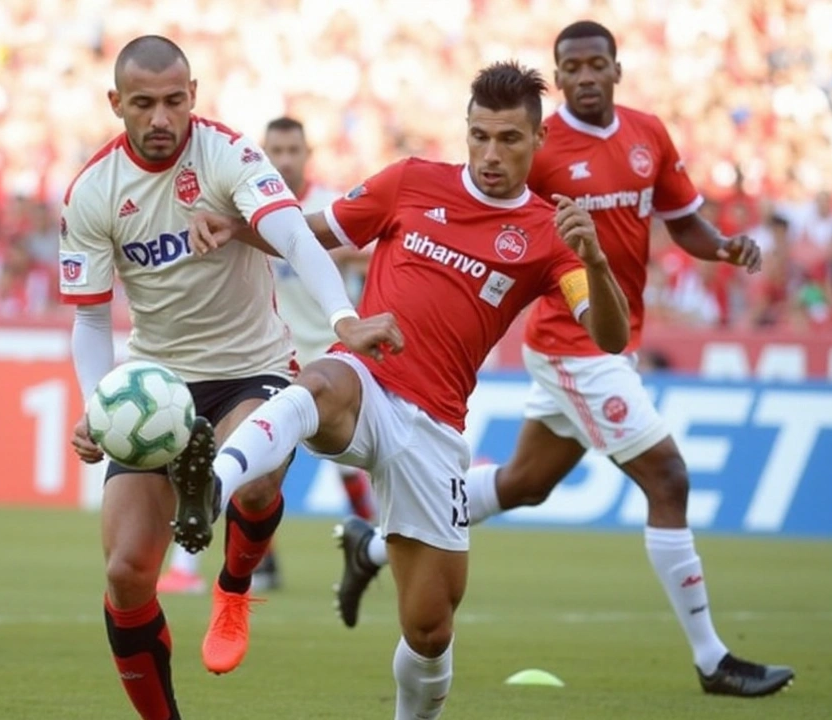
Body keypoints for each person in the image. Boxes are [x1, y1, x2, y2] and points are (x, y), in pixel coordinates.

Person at [338, 20, 795, 698]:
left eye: (594, 64)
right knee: (667, 478)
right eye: (570, 66)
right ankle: (712, 659)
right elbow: (489, 207)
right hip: (572, 344)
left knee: (525, 483)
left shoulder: (649, 136)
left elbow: (681, 216)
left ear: (617, 69)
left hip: (615, 338)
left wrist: (722, 246)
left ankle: (371, 546)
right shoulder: (536, 150)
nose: (583, 76)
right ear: (559, 75)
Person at [177, 60, 632, 720]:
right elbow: (311, 234)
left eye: (508, 139)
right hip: (366, 379)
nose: (490, 153)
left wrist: (594, 260)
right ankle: (211, 485)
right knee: (320, 381)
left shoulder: (549, 235)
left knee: (429, 630)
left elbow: (610, 336)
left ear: (538, 143)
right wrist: (233, 225)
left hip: (435, 430)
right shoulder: (413, 181)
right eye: (479, 135)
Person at [60, 36, 395, 720]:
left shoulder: (231, 155)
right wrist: (97, 407)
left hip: (254, 368)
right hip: (156, 390)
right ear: (115, 103)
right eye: (144, 103)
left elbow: (297, 237)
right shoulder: (93, 191)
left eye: (175, 101)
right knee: (126, 573)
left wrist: (341, 318)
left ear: (194, 96)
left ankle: (234, 589)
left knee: (261, 473)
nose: (161, 118)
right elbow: (92, 322)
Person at [154, 116, 376, 596]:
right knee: (236, 458)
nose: (286, 159)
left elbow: (373, 250)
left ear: (307, 154)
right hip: (267, 354)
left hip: (327, 352)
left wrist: (343, 260)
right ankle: (213, 567)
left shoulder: (324, 207)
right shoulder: (244, 203)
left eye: (294, 149)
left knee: (346, 465)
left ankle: (376, 545)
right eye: (276, 149)